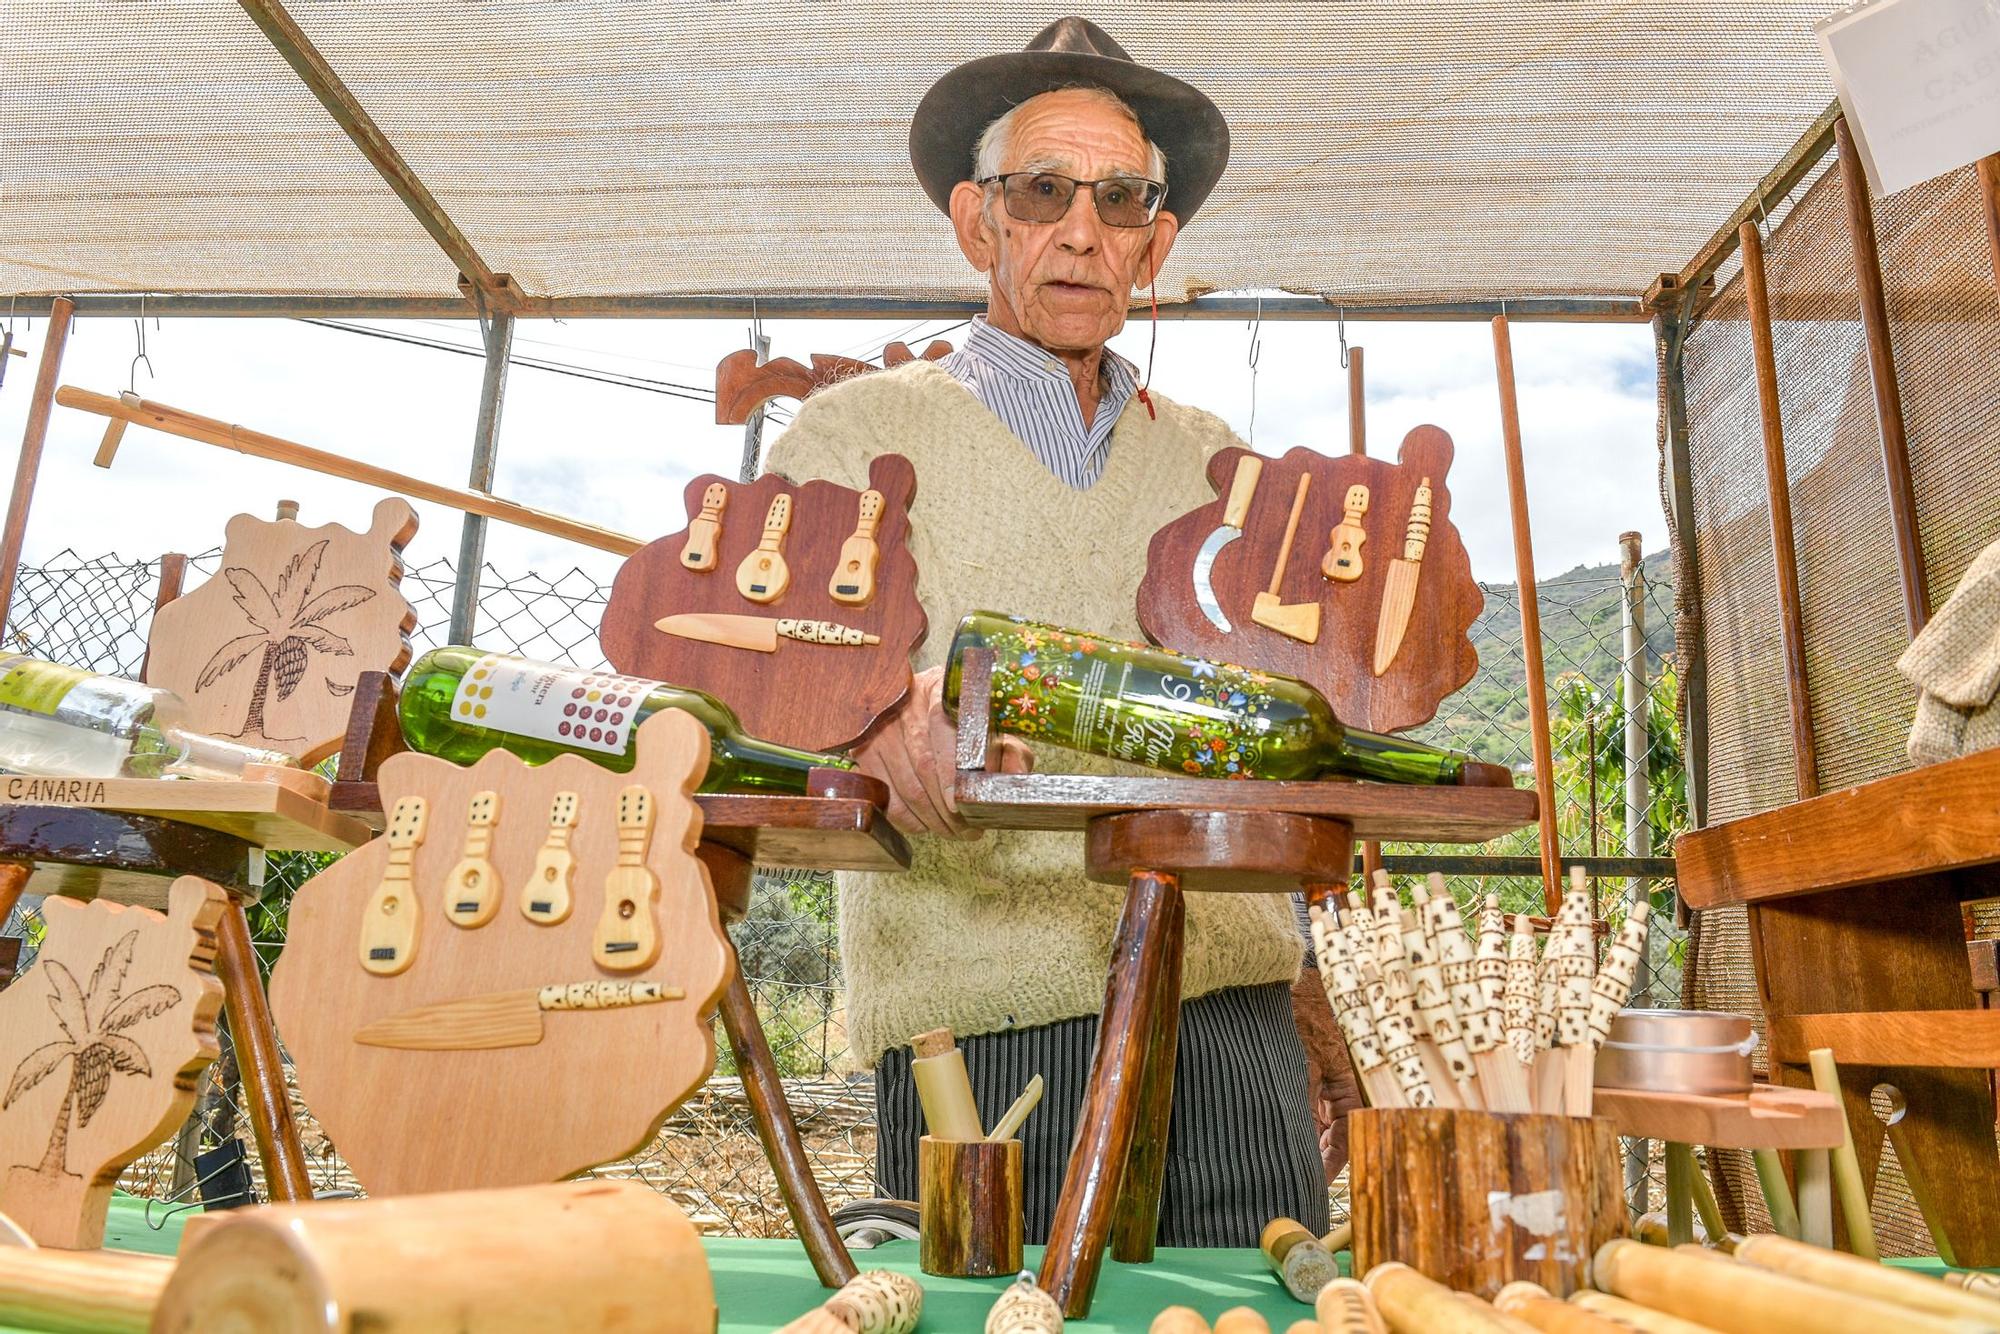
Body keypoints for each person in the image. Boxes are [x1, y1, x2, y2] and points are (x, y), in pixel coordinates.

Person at [761, 17, 1348, 1245]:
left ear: (1156, 240)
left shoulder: (1222, 464)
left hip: (1229, 1011)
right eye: (1042, 191)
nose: (1082, 230)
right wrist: (872, 712)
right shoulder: (843, 437)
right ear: (980, 223)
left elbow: (1280, 734)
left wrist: (1309, 985)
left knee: (1251, 1307)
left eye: (1120, 198)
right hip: (970, 1016)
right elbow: (762, 684)